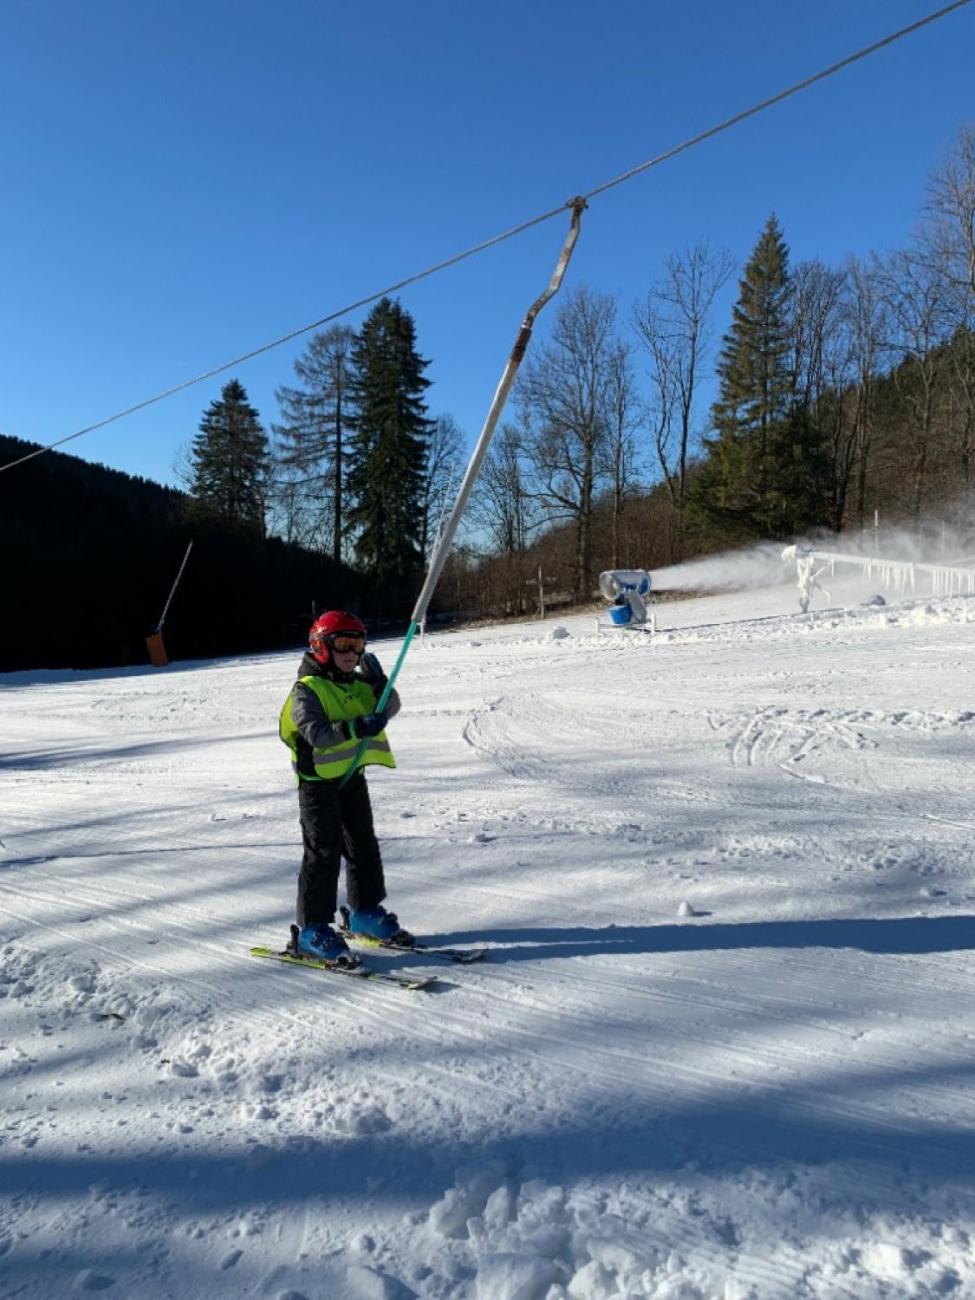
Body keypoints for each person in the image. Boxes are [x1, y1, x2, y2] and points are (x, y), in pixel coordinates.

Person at [278, 610, 411, 963]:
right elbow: (317, 733)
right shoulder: (306, 690)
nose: (352, 653)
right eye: (343, 644)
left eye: (358, 644)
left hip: (351, 778)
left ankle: (365, 911)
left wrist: (379, 682)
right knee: (323, 854)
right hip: (317, 784)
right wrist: (355, 728)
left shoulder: (355, 683)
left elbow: (391, 706)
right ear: (320, 646)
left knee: (363, 845)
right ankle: (312, 929)